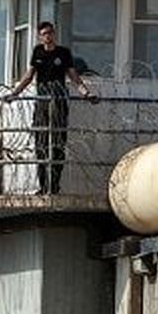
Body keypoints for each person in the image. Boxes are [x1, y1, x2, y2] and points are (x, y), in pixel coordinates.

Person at [8, 21, 96, 195]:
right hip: (42, 101)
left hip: (58, 101)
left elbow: (73, 77)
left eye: (50, 33)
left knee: (57, 144)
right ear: (40, 37)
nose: (47, 36)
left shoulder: (63, 53)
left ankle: (54, 185)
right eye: (44, 34)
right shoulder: (37, 52)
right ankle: (43, 185)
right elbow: (29, 76)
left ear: (54, 34)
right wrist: (15, 93)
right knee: (41, 143)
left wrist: (86, 93)